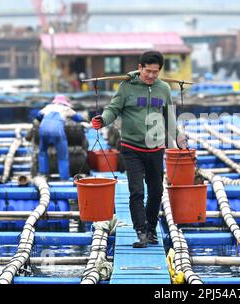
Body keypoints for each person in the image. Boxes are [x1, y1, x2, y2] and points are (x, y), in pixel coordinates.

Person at [91, 50, 186, 248]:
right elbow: (113, 109)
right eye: (147, 71)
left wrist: (177, 136)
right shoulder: (126, 87)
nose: (151, 76)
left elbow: (169, 116)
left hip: (155, 147)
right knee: (136, 191)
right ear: (140, 68)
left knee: (157, 190)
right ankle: (141, 231)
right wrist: (103, 119)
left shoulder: (164, 89)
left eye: (155, 72)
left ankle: (151, 229)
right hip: (131, 147)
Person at [36, 95, 85, 180]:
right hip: (57, 131)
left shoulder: (48, 107)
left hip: (43, 129)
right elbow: (78, 118)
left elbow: (38, 116)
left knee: (43, 152)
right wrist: (86, 121)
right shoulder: (66, 109)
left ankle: (43, 175)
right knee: (62, 156)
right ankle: (64, 177)